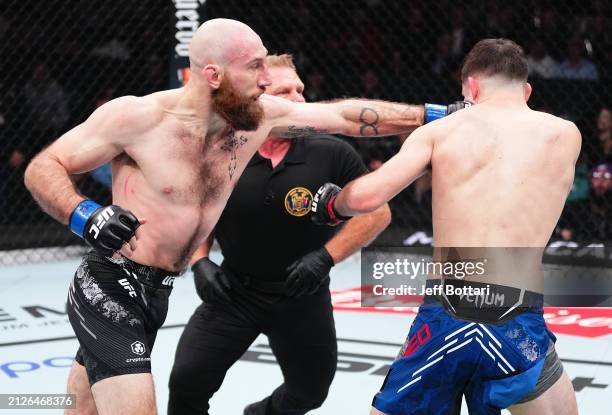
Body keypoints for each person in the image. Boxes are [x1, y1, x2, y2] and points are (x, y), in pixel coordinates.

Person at [23, 18, 462, 415]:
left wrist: (437, 115)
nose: (266, 79)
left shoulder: (257, 119)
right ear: (213, 74)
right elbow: (44, 166)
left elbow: (345, 117)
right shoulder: (137, 117)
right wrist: (85, 214)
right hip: (111, 283)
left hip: (158, 290)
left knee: (83, 408)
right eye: (254, 67)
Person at [311, 39, 581, 415]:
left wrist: (330, 204)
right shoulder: (565, 134)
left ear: (470, 86)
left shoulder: (441, 133)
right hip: (516, 315)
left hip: (448, 309)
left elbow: (364, 199)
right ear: (527, 90)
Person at [168, 53, 391, 415]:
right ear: (258, 97)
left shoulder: (330, 151)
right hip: (234, 292)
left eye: (301, 90)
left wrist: (325, 257)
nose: (299, 99)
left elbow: (378, 212)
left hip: (302, 295)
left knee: (310, 391)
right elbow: (199, 211)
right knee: (186, 381)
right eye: (285, 91)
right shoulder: (224, 151)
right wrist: (200, 262)